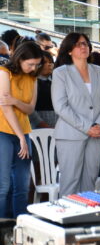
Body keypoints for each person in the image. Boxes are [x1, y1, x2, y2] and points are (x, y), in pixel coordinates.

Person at [52, 32, 100, 196]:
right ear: (69, 50)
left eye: (85, 43)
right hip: (71, 134)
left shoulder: (99, 71)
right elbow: (60, 106)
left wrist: (99, 124)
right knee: (70, 182)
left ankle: (85, 220)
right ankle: (66, 220)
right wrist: (87, 127)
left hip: (96, 133)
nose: (83, 46)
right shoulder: (61, 73)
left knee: (90, 181)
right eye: (78, 44)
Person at [0, 41, 43, 218]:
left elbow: (30, 109)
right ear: (19, 59)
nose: (33, 68)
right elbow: (5, 108)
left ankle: (20, 225)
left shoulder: (32, 78)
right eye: (30, 64)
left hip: (23, 131)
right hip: (4, 131)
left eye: (36, 64)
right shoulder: (4, 73)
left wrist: (16, 101)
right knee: (3, 186)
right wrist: (21, 138)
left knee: (22, 185)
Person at [29, 51, 56, 129]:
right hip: (37, 127)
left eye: (51, 62)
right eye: (45, 62)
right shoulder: (32, 82)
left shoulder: (57, 81)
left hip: (56, 127)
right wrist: (41, 124)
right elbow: (30, 110)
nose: (49, 64)